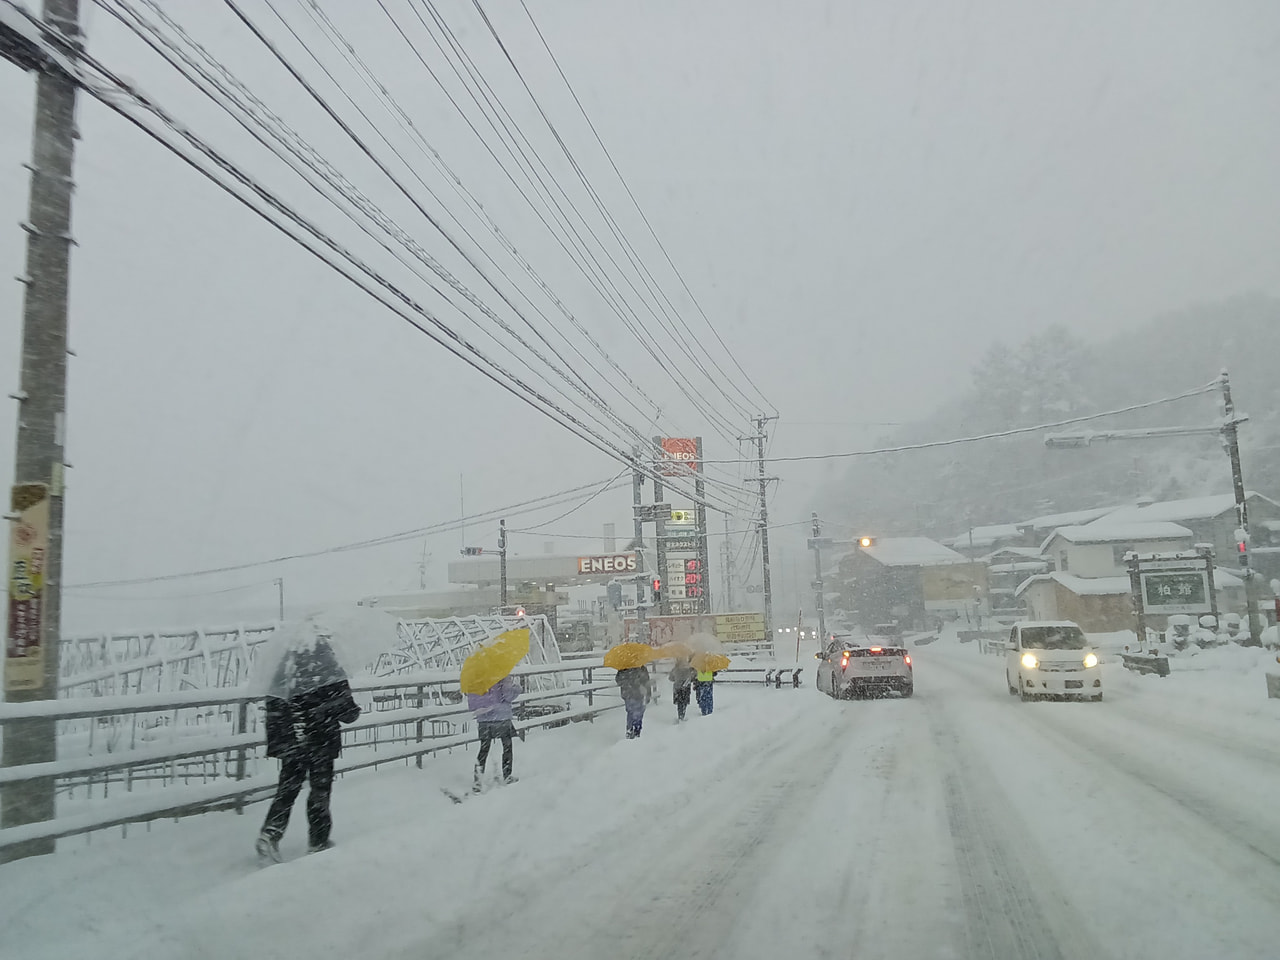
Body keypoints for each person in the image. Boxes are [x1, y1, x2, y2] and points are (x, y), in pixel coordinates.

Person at [257, 639, 361, 862]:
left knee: (287, 790)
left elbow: (274, 706)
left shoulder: (285, 669)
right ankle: (318, 842)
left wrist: (288, 732)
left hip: (293, 741)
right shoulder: (330, 670)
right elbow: (348, 713)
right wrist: (335, 710)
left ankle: (270, 834)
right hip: (321, 742)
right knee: (319, 793)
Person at [466, 673, 521, 790]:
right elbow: (508, 695)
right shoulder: (501, 673)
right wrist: (517, 687)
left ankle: (477, 781)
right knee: (507, 746)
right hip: (501, 717)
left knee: (483, 750)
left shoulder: (477, 675)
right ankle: (507, 775)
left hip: (484, 719)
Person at [615, 664, 651, 738]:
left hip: (629, 694)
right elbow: (646, 681)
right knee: (637, 712)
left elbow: (618, 680)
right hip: (636, 694)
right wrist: (648, 693)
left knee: (632, 712)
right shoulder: (641, 667)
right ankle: (635, 730)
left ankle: (631, 730)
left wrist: (627, 684)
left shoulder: (624, 667)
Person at [669, 658, 695, 722]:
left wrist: (676, 679)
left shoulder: (675, 669)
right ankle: (683, 713)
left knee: (679, 703)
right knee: (684, 702)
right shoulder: (688, 669)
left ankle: (680, 715)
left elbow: (670, 678)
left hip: (677, 688)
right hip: (686, 687)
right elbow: (692, 678)